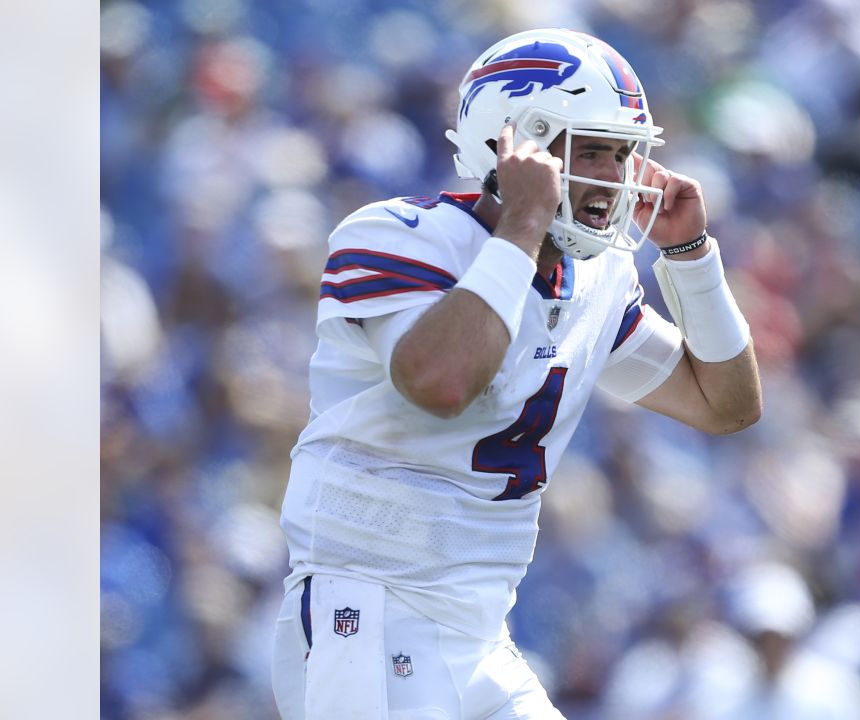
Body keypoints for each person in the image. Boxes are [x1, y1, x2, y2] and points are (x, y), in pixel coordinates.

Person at [270, 28, 762, 719]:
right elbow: (440, 382)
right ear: (511, 146)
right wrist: (524, 219)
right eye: (590, 149)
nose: (614, 177)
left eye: (623, 154)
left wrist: (691, 257)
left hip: (476, 628)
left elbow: (727, 406)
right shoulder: (398, 236)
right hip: (371, 607)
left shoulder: (597, 278)